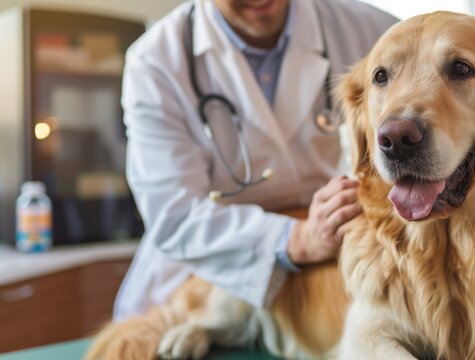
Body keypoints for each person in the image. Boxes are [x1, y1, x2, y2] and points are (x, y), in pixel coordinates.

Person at [113, 0, 398, 321]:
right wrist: (298, 238)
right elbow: (175, 214)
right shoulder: (155, 62)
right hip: (207, 273)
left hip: (336, 262)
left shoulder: (373, 31)